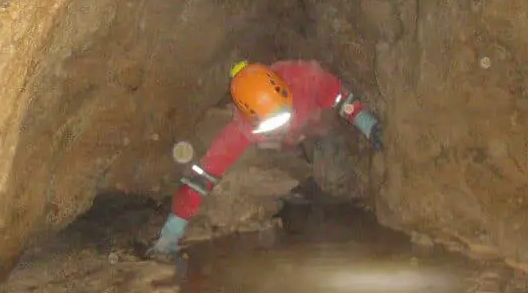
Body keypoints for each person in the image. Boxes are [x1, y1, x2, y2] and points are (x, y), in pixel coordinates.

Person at [144, 59, 384, 262]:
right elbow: (203, 176)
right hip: (283, 145)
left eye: (282, 113)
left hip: (316, 128)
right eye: (271, 121)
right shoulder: (242, 127)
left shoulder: (306, 78)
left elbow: (342, 99)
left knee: (333, 174)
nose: (281, 121)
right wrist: (171, 232)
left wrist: (367, 124)